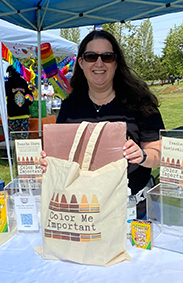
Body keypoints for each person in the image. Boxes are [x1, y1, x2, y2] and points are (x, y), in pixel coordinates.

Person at [40, 30, 165, 217]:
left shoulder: (141, 103)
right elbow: (59, 156)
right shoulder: (70, 106)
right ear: (81, 63)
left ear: (116, 63)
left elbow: (158, 152)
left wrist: (142, 155)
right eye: (91, 56)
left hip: (131, 210)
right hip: (82, 209)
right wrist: (48, 162)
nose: (99, 63)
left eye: (107, 57)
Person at [5, 65, 33, 139]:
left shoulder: (7, 84)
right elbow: (30, 98)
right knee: (24, 138)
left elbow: (2, 95)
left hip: (13, 115)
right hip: (24, 114)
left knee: (14, 138)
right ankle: (24, 150)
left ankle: (14, 150)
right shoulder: (24, 82)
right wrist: (26, 104)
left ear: (10, 72)